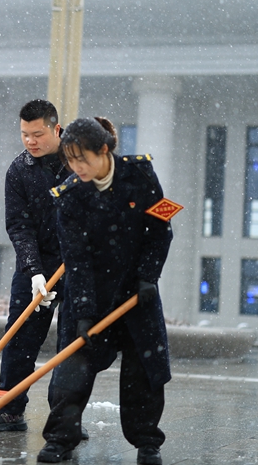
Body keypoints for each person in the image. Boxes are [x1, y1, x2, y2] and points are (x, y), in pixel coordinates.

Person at [39, 117, 173, 465]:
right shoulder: (69, 196)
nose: (76, 167)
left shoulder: (141, 176)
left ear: (104, 150)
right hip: (92, 294)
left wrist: (148, 276)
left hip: (136, 294)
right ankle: (60, 440)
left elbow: (161, 230)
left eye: (82, 158)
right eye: (69, 160)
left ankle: (147, 443)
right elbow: (77, 259)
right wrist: (83, 312)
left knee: (142, 370)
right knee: (72, 369)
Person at [0, 99, 72, 434]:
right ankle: (10, 410)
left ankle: (66, 417)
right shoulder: (18, 170)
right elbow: (19, 226)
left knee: (71, 342)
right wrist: (34, 270)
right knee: (19, 336)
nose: (30, 141)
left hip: (75, 263)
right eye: (24, 134)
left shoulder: (77, 162)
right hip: (35, 263)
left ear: (56, 129)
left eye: (37, 134)